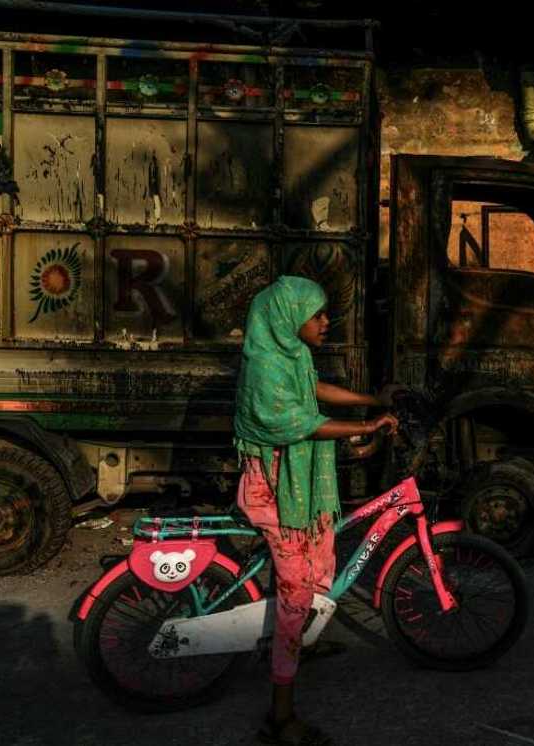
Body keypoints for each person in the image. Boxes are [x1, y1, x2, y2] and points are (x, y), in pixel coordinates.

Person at [234, 275, 397, 746]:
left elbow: (315, 390)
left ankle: (301, 639)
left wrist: (372, 400)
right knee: (297, 593)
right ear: (289, 318)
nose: (326, 322)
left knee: (324, 560)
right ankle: (280, 717)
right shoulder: (264, 367)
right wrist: (365, 425)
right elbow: (302, 423)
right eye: (318, 314)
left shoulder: (293, 354)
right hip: (275, 493)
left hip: (300, 486)